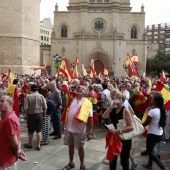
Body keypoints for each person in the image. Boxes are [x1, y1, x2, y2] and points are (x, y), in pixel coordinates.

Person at [61, 86, 93, 170]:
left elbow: (90, 118)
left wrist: (90, 132)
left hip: (79, 130)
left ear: (85, 93)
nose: (80, 88)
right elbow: (66, 114)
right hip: (69, 128)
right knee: (70, 146)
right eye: (79, 88)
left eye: (83, 89)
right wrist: (62, 125)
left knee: (80, 147)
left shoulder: (88, 104)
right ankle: (71, 162)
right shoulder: (73, 101)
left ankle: (82, 165)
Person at [102, 91, 134, 170]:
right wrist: (112, 106)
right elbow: (104, 116)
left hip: (124, 139)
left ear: (123, 100)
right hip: (115, 138)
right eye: (115, 97)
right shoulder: (113, 110)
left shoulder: (125, 110)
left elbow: (131, 127)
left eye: (119, 97)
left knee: (124, 161)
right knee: (112, 159)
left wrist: (117, 131)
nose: (117, 99)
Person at [0, 95, 27, 170]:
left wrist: (17, 153)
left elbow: (14, 141)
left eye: (2, 101)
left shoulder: (9, 119)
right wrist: (19, 150)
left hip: (6, 161)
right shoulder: (7, 116)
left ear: (10, 104)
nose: (0, 103)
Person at [142, 95, 168, 170]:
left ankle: (162, 167)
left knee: (150, 151)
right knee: (151, 149)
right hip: (159, 133)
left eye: (153, 100)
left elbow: (146, 123)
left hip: (152, 134)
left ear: (156, 102)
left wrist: (140, 125)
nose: (151, 101)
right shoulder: (163, 111)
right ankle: (149, 165)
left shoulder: (152, 111)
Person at [23, 84, 47, 150]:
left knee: (30, 131)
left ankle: (30, 144)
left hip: (31, 115)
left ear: (31, 89)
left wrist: (27, 114)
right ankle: (38, 145)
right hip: (39, 114)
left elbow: (25, 108)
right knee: (38, 130)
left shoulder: (28, 96)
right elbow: (45, 108)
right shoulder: (41, 96)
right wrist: (44, 116)